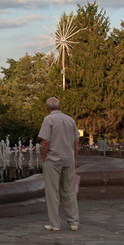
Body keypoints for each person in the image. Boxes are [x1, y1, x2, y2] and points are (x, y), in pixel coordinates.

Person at [38, 97, 79, 231]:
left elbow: (45, 141)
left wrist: (44, 157)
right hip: (68, 160)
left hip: (53, 160)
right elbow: (76, 141)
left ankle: (55, 224)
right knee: (69, 191)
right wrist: (74, 158)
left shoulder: (48, 120)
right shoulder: (70, 120)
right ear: (60, 107)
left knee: (52, 192)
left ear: (47, 108)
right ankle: (73, 222)